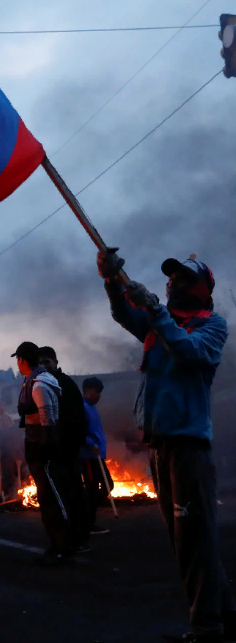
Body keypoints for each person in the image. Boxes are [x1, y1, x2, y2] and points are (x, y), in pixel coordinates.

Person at [98, 250, 235, 642]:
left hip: (189, 448)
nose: (171, 282)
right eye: (169, 277)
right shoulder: (160, 323)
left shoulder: (212, 326)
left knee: (194, 540)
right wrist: (111, 281)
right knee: (187, 540)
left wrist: (155, 309)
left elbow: (189, 352)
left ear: (201, 290)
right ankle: (223, 613)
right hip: (162, 447)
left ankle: (207, 626)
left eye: (181, 278)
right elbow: (125, 314)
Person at [13, 341, 72, 565]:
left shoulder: (38, 385)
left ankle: (62, 546)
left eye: (18, 360)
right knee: (47, 498)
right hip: (38, 446)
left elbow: (47, 419)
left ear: (22, 360)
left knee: (51, 499)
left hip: (43, 448)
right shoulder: (33, 382)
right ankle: (57, 545)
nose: (18, 365)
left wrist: (44, 450)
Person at [39, 346, 91, 553]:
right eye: (41, 363)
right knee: (64, 495)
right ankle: (71, 538)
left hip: (67, 450)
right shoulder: (44, 385)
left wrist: (69, 444)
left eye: (48, 362)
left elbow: (76, 418)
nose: (45, 366)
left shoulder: (65, 384)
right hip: (57, 450)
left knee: (72, 495)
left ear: (56, 362)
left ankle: (79, 538)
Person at [79, 377, 113, 536]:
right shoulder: (82, 408)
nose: (99, 396)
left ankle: (86, 518)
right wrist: (90, 443)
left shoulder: (92, 408)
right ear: (87, 391)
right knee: (92, 489)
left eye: (100, 393)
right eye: (96, 392)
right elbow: (78, 430)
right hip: (88, 455)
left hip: (97, 455)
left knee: (108, 485)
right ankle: (86, 522)